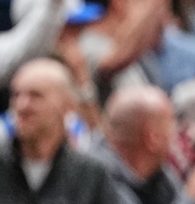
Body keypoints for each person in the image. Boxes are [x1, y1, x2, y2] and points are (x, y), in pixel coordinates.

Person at [94, 85, 195, 204]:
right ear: (153, 138)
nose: (179, 132)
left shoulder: (155, 171)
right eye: (172, 124)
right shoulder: (98, 181)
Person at [0, 58, 117, 204]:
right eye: (16, 95)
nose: (22, 106)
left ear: (68, 106)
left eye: (36, 95)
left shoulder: (91, 174)